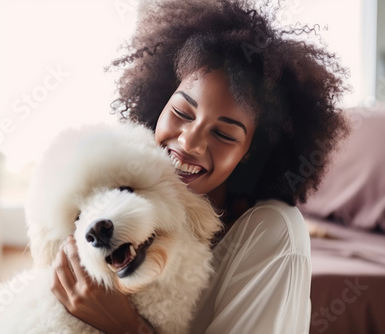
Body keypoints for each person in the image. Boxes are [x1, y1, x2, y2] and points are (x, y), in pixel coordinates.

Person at [50, 0, 350, 333]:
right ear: (161, 101)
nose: (190, 143)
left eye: (223, 133)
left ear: (251, 151)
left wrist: (123, 325)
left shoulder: (274, 232)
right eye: (182, 113)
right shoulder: (131, 200)